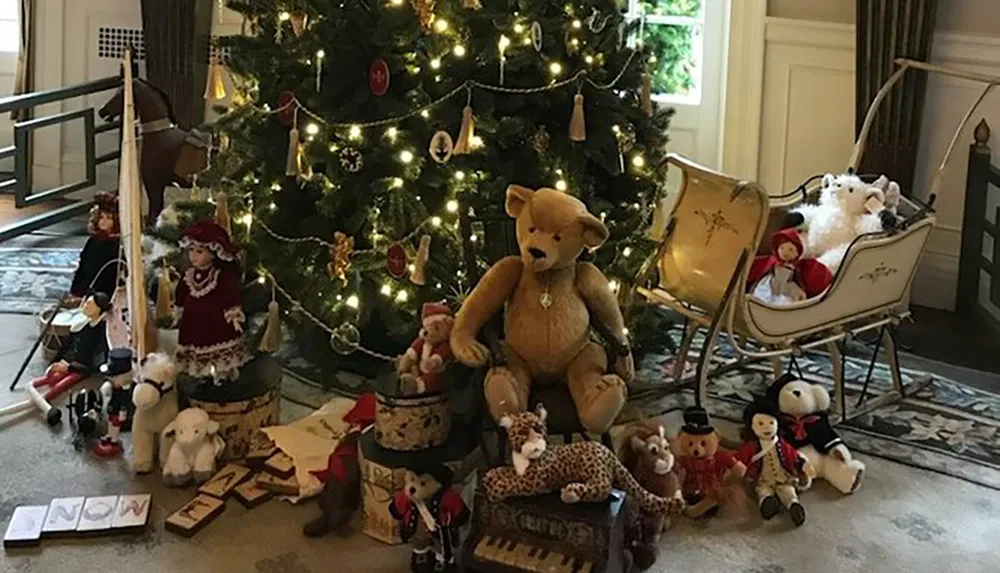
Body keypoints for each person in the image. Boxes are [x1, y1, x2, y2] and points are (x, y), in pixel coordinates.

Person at [174, 220, 252, 383]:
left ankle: (222, 374)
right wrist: (179, 311)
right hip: (194, 323)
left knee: (219, 348)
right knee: (197, 350)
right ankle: (203, 374)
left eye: (200, 252)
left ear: (214, 253)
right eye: (191, 251)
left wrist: (234, 315)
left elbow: (230, 295)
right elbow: (181, 292)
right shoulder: (189, 275)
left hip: (215, 323)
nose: (193, 256)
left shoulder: (221, 276)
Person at [68, 192, 121, 304]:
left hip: (105, 283)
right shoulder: (93, 240)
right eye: (101, 217)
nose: (104, 221)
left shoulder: (115, 243)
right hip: (88, 277)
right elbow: (84, 263)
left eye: (109, 218)